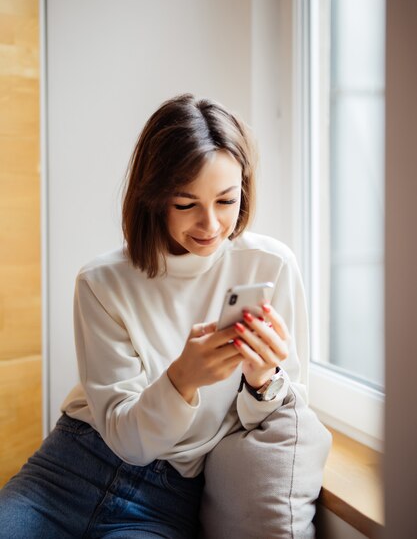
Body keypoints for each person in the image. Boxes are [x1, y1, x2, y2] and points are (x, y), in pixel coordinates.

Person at [0, 94, 309, 539]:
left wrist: (263, 381)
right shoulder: (101, 282)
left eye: (226, 200)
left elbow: (286, 408)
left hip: (166, 498)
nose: (210, 225)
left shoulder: (270, 266)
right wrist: (182, 379)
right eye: (186, 204)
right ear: (154, 198)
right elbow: (126, 439)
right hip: (68, 470)